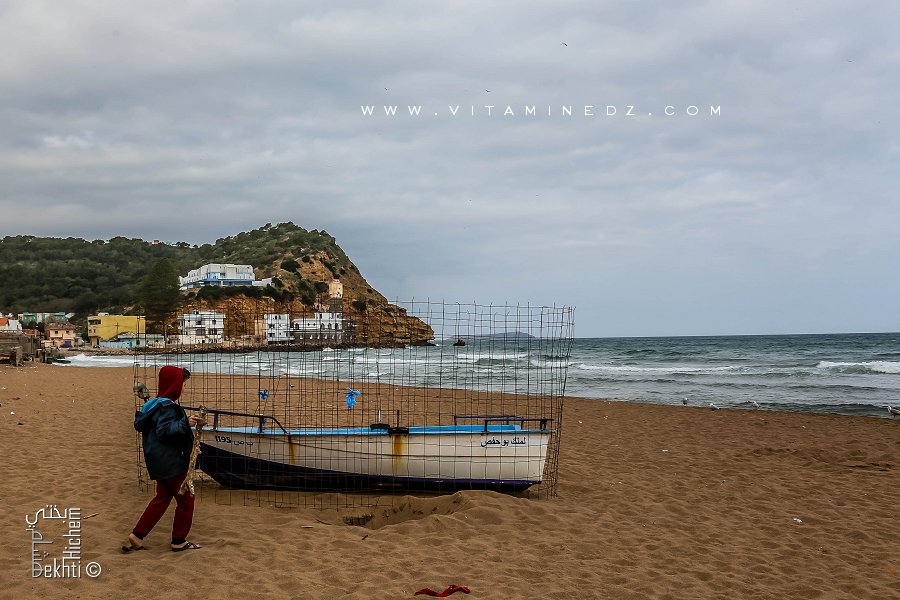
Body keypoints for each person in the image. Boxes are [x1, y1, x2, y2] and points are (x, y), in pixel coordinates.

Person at [122, 365, 205, 553]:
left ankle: (137, 535)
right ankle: (179, 540)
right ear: (174, 384)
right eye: (183, 384)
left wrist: (183, 422)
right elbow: (165, 431)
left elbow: (159, 430)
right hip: (172, 462)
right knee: (186, 500)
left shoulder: (152, 406)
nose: (184, 387)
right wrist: (185, 422)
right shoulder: (168, 407)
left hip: (158, 463)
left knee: (162, 498)